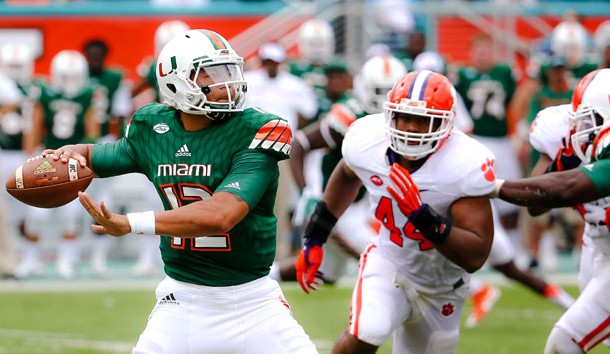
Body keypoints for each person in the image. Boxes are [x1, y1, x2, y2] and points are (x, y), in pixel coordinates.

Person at [40, 29, 318, 353]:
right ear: (174, 83)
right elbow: (98, 156)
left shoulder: (256, 130)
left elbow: (221, 215)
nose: (227, 84)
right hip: (182, 301)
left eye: (229, 71)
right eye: (211, 75)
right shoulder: (153, 127)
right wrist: (71, 153)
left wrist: (131, 224)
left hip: (253, 301)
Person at [297, 70, 496, 353]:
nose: (412, 128)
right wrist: (315, 236)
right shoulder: (367, 139)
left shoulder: (463, 164)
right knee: (366, 332)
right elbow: (346, 172)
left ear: (444, 123)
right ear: (391, 115)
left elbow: (475, 255)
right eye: (405, 117)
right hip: (389, 260)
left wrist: (423, 218)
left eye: (423, 120)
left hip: (443, 285)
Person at [494, 68, 610, 354]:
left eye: (590, 118)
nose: (582, 126)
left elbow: (567, 188)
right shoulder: (562, 128)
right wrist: (560, 160)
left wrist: (493, 186)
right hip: (597, 245)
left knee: (566, 340)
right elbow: (536, 204)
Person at [271, 54, 406, 284]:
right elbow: (300, 144)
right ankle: (475, 289)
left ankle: (265, 275)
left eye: (389, 90)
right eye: (378, 90)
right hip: (338, 208)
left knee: (325, 273)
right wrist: (306, 192)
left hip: (364, 207)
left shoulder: (406, 119)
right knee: (388, 266)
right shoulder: (350, 115)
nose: (384, 98)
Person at [19, 50, 102, 279]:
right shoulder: (43, 93)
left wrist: (86, 157)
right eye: (65, 76)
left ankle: (67, 259)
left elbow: (92, 131)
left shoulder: (89, 94)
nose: (70, 82)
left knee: (70, 214)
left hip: (73, 160)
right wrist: (31, 152)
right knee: (35, 214)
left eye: (74, 76)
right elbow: (35, 125)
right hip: (46, 155)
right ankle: (30, 258)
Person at [244, 42, 318, 259]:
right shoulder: (250, 81)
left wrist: (292, 132)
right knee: (250, 199)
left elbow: (308, 111)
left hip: (281, 149)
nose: (270, 67)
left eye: (273, 62)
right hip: (254, 148)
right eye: (267, 62)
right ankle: (251, 248)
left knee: (279, 201)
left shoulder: (293, 84)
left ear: (280, 63)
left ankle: (276, 252)